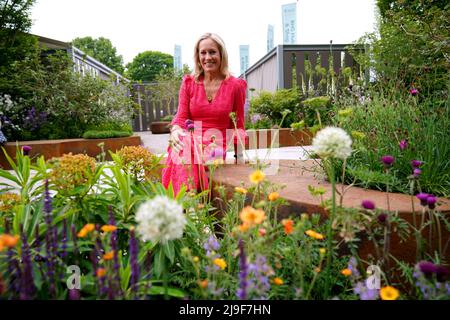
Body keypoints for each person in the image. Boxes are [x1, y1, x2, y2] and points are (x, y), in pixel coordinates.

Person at [162, 33, 247, 196]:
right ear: (198, 56)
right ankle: (189, 200)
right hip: (190, 141)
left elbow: (238, 124)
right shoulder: (189, 83)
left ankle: (185, 202)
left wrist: (240, 157)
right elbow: (180, 117)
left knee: (184, 147)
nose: (208, 57)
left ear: (221, 54)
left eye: (212, 52)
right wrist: (175, 131)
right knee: (182, 142)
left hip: (215, 147)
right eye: (203, 53)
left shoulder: (235, 86)